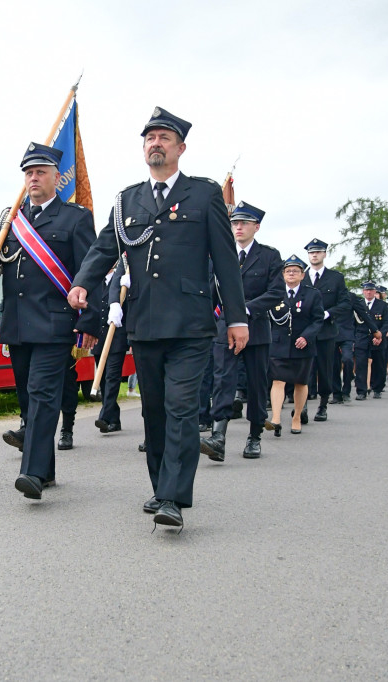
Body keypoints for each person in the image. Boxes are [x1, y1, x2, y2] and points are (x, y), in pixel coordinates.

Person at [69, 107, 248, 529]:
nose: (155, 143)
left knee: (182, 407)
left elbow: (225, 261)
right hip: (145, 320)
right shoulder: (126, 199)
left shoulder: (204, 195)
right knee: (154, 412)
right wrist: (82, 283)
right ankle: (159, 487)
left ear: (180, 148)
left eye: (164, 137)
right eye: (149, 137)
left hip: (190, 322)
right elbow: (104, 249)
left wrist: (237, 318)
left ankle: (173, 496)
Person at [0, 143, 99, 499]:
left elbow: (92, 270)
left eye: (40, 172)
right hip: (18, 326)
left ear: (58, 177)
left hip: (56, 324)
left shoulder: (75, 218)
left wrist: (89, 322)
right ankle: (49, 469)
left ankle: (34, 473)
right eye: (28, 173)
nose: (34, 178)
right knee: (28, 398)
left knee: (42, 395)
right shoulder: (13, 219)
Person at [200, 200, 283, 461]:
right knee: (223, 381)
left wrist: (245, 310)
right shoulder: (220, 254)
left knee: (257, 385)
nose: (238, 227)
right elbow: (210, 293)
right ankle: (218, 436)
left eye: (244, 223)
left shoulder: (269, 256)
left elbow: (277, 293)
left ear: (256, 227)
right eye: (234, 222)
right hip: (224, 329)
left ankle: (254, 436)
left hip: (256, 330)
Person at [267, 255, 325, 435]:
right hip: (278, 344)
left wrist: (307, 337)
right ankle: (276, 418)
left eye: (296, 271)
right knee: (277, 380)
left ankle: (297, 416)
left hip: (302, 345)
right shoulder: (275, 293)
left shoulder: (312, 294)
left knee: (301, 382)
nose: (291, 274)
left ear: (302, 275)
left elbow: (318, 319)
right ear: (283, 274)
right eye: (288, 271)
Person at [302, 238, 350, 421]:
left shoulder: (335, 278)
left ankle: (322, 405)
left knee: (325, 369)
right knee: (304, 370)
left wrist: (328, 314)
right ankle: (302, 406)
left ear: (324, 254)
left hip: (325, 332)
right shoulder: (302, 276)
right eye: (311, 252)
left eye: (318, 252)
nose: (314, 255)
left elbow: (345, 303)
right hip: (305, 332)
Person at [95, 258, 131, 435]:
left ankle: (105, 416)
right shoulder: (97, 282)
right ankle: (114, 419)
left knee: (112, 377)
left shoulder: (124, 280)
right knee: (101, 378)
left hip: (117, 337)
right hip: (99, 338)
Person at [354, 282, 388, 399]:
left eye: (371, 290)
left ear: (375, 292)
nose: (368, 292)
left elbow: (387, 323)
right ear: (363, 291)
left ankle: (377, 388)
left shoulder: (382, 305)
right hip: (362, 338)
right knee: (360, 365)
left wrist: (380, 336)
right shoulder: (358, 304)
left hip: (378, 339)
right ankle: (361, 391)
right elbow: (353, 323)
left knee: (379, 364)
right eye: (366, 290)